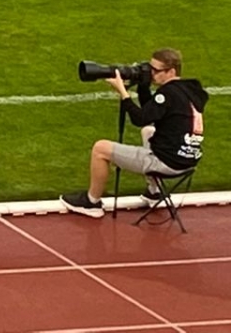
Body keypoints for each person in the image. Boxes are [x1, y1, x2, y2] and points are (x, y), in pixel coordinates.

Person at [63, 52, 208, 216]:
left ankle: (91, 202)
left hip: (167, 162)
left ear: (171, 71)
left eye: (155, 70)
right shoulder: (189, 90)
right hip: (188, 159)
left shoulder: (167, 94)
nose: (151, 73)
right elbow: (151, 113)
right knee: (148, 131)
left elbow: (139, 119)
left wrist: (123, 93)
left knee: (100, 149)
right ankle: (154, 192)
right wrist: (143, 86)